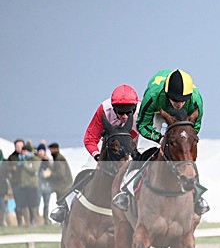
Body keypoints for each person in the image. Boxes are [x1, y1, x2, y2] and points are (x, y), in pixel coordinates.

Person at [113, 69, 208, 215]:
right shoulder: (153, 95)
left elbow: (194, 128)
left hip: (183, 120)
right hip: (157, 113)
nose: (178, 104)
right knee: (145, 150)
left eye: (182, 100)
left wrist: (185, 144)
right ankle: (125, 192)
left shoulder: (196, 100)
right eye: (175, 99)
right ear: (167, 93)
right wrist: (159, 138)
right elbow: (142, 125)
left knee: (186, 154)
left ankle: (198, 196)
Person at [50, 85, 140, 223]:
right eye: (120, 113)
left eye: (128, 113)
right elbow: (90, 138)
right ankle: (65, 207)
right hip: (108, 144)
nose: (124, 117)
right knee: (86, 169)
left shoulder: (141, 111)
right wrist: (97, 156)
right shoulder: (104, 109)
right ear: (113, 108)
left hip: (134, 142)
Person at [16, 142, 42, 226]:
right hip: (23, 185)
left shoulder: (36, 159)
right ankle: (27, 222)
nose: (23, 153)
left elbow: (34, 171)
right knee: (23, 204)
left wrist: (25, 164)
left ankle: (35, 221)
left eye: (25, 151)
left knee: (33, 204)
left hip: (32, 185)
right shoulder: (22, 159)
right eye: (22, 151)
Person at [36, 143, 54, 224]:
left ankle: (46, 219)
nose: (41, 152)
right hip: (38, 185)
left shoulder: (48, 161)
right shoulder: (36, 160)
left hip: (47, 185)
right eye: (39, 151)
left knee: (46, 204)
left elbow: (52, 171)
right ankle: (36, 220)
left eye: (42, 150)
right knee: (37, 203)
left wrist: (49, 173)